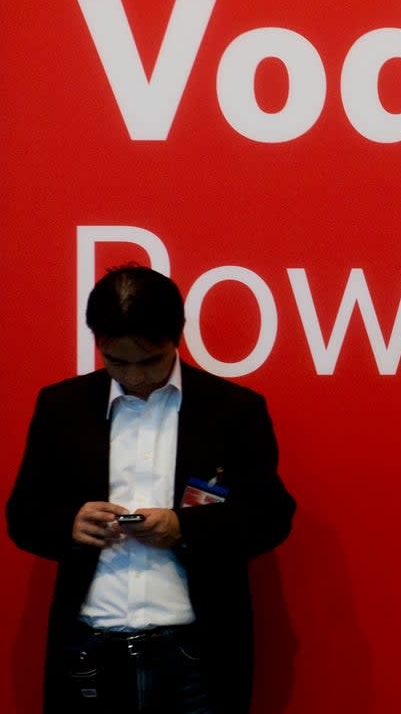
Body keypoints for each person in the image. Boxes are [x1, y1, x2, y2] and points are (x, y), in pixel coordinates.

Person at [6, 265, 296, 713]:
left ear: (177, 338)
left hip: (196, 649)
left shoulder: (233, 410)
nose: (135, 376)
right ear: (97, 342)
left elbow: (270, 516)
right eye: (117, 361)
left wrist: (184, 527)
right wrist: (71, 523)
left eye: (150, 361)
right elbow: (23, 516)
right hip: (88, 645)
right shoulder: (61, 407)